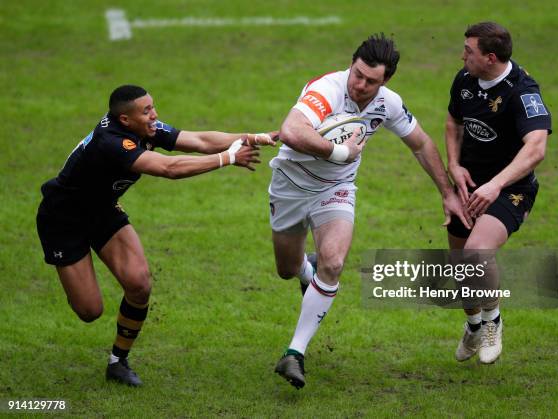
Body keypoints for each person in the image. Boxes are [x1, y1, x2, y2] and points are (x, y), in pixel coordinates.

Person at [36, 85, 276, 386]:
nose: (155, 115)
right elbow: (169, 168)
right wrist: (227, 159)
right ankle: (75, 279)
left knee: (139, 283)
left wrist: (252, 137)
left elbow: (199, 140)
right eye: (146, 111)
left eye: (153, 107)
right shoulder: (110, 142)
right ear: (125, 120)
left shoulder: (145, 129)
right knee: (89, 310)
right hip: (63, 218)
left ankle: (118, 362)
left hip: (102, 211)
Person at [269, 34, 470, 389]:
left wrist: (447, 193)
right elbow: (290, 131)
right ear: (352, 64)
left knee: (334, 262)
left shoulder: (388, 103)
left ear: (386, 80)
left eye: (371, 81)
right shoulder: (327, 90)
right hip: (291, 185)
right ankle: (306, 270)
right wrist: (340, 153)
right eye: (357, 74)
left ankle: (294, 353)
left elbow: (421, 144)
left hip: (337, 189)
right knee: (287, 270)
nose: (361, 85)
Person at [445, 22, 551, 364]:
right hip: (471, 186)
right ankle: (474, 326)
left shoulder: (522, 91)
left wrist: (496, 184)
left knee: (477, 252)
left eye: (469, 51)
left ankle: (493, 323)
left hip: (510, 188)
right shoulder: (464, 80)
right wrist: (454, 164)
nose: (463, 55)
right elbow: (452, 123)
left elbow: (536, 148)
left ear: (490, 58)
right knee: (462, 271)